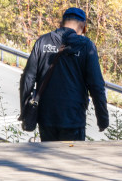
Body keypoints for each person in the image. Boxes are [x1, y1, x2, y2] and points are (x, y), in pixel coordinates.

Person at [19, 7, 109, 141]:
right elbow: (96, 85)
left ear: (61, 23)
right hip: (73, 117)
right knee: (71, 160)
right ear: (82, 26)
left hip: (46, 116)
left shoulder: (42, 42)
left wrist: (25, 111)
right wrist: (102, 118)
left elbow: (28, 78)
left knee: (49, 159)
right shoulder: (86, 46)